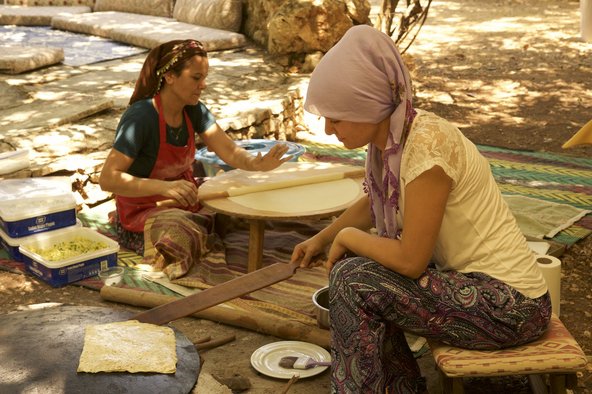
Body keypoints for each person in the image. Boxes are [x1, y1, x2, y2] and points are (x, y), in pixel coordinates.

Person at [290, 25, 552, 393]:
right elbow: (376, 202)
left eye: (337, 117)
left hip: (512, 306)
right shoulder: (394, 141)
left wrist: (348, 237)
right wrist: (322, 238)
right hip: (482, 292)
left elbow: (411, 259)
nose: (329, 129)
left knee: (354, 278)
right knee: (364, 272)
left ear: (367, 105)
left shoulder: (427, 148)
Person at [99, 39, 289, 278]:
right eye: (196, 78)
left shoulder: (194, 109)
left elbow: (229, 151)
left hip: (187, 199)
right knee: (179, 232)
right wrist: (164, 187)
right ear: (169, 76)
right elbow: (107, 179)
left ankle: (204, 228)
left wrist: (256, 164)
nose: (203, 85)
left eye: (204, 77)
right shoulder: (141, 117)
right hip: (144, 213)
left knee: (241, 206)